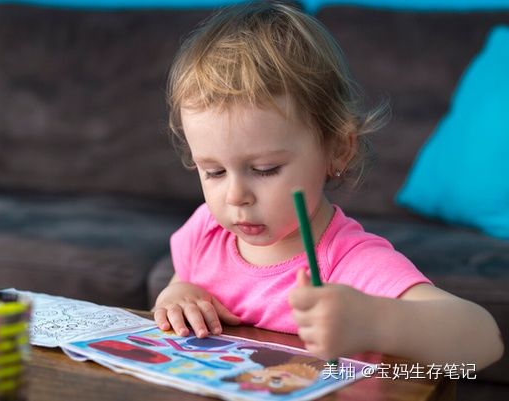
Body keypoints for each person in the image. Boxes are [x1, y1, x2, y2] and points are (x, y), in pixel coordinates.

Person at [153, 0, 503, 368]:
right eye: (214, 172)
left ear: (337, 150)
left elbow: (484, 342)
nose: (235, 196)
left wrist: (376, 321)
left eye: (266, 168)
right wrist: (179, 295)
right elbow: (180, 287)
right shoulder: (206, 231)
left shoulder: (348, 261)